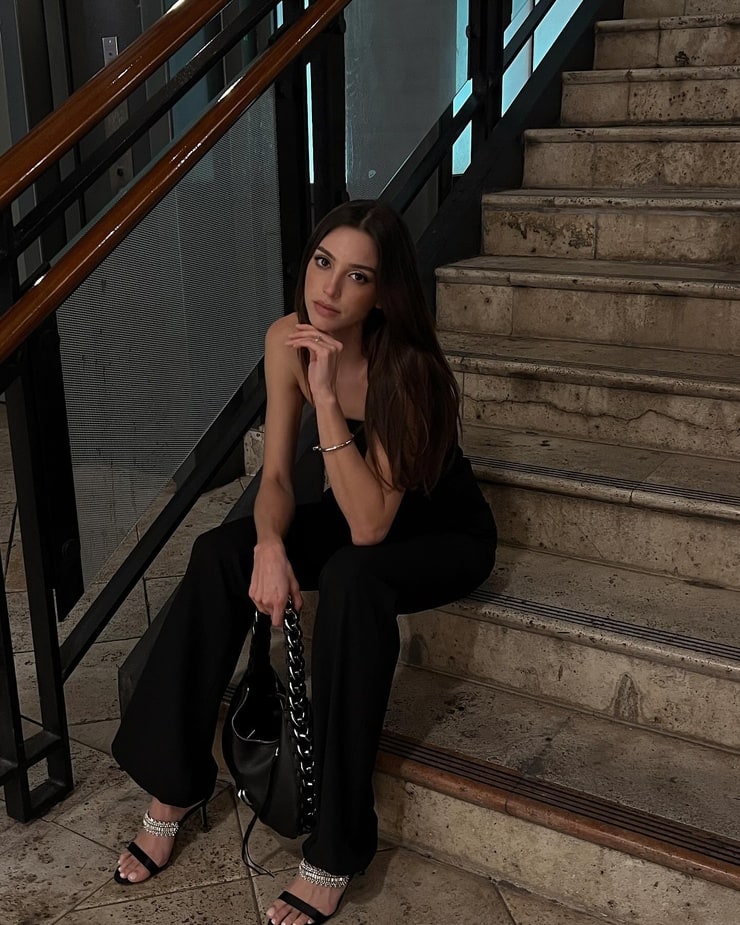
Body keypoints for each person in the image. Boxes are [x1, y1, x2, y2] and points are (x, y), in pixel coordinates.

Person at [111, 199, 497, 924]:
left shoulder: (410, 369)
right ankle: (174, 785)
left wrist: (324, 393)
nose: (329, 288)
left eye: (357, 276)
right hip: (359, 506)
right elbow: (280, 480)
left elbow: (370, 526)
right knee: (219, 551)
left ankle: (336, 847)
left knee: (353, 577)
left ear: (382, 293)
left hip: (440, 531)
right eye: (323, 262)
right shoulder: (284, 338)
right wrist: (268, 546)